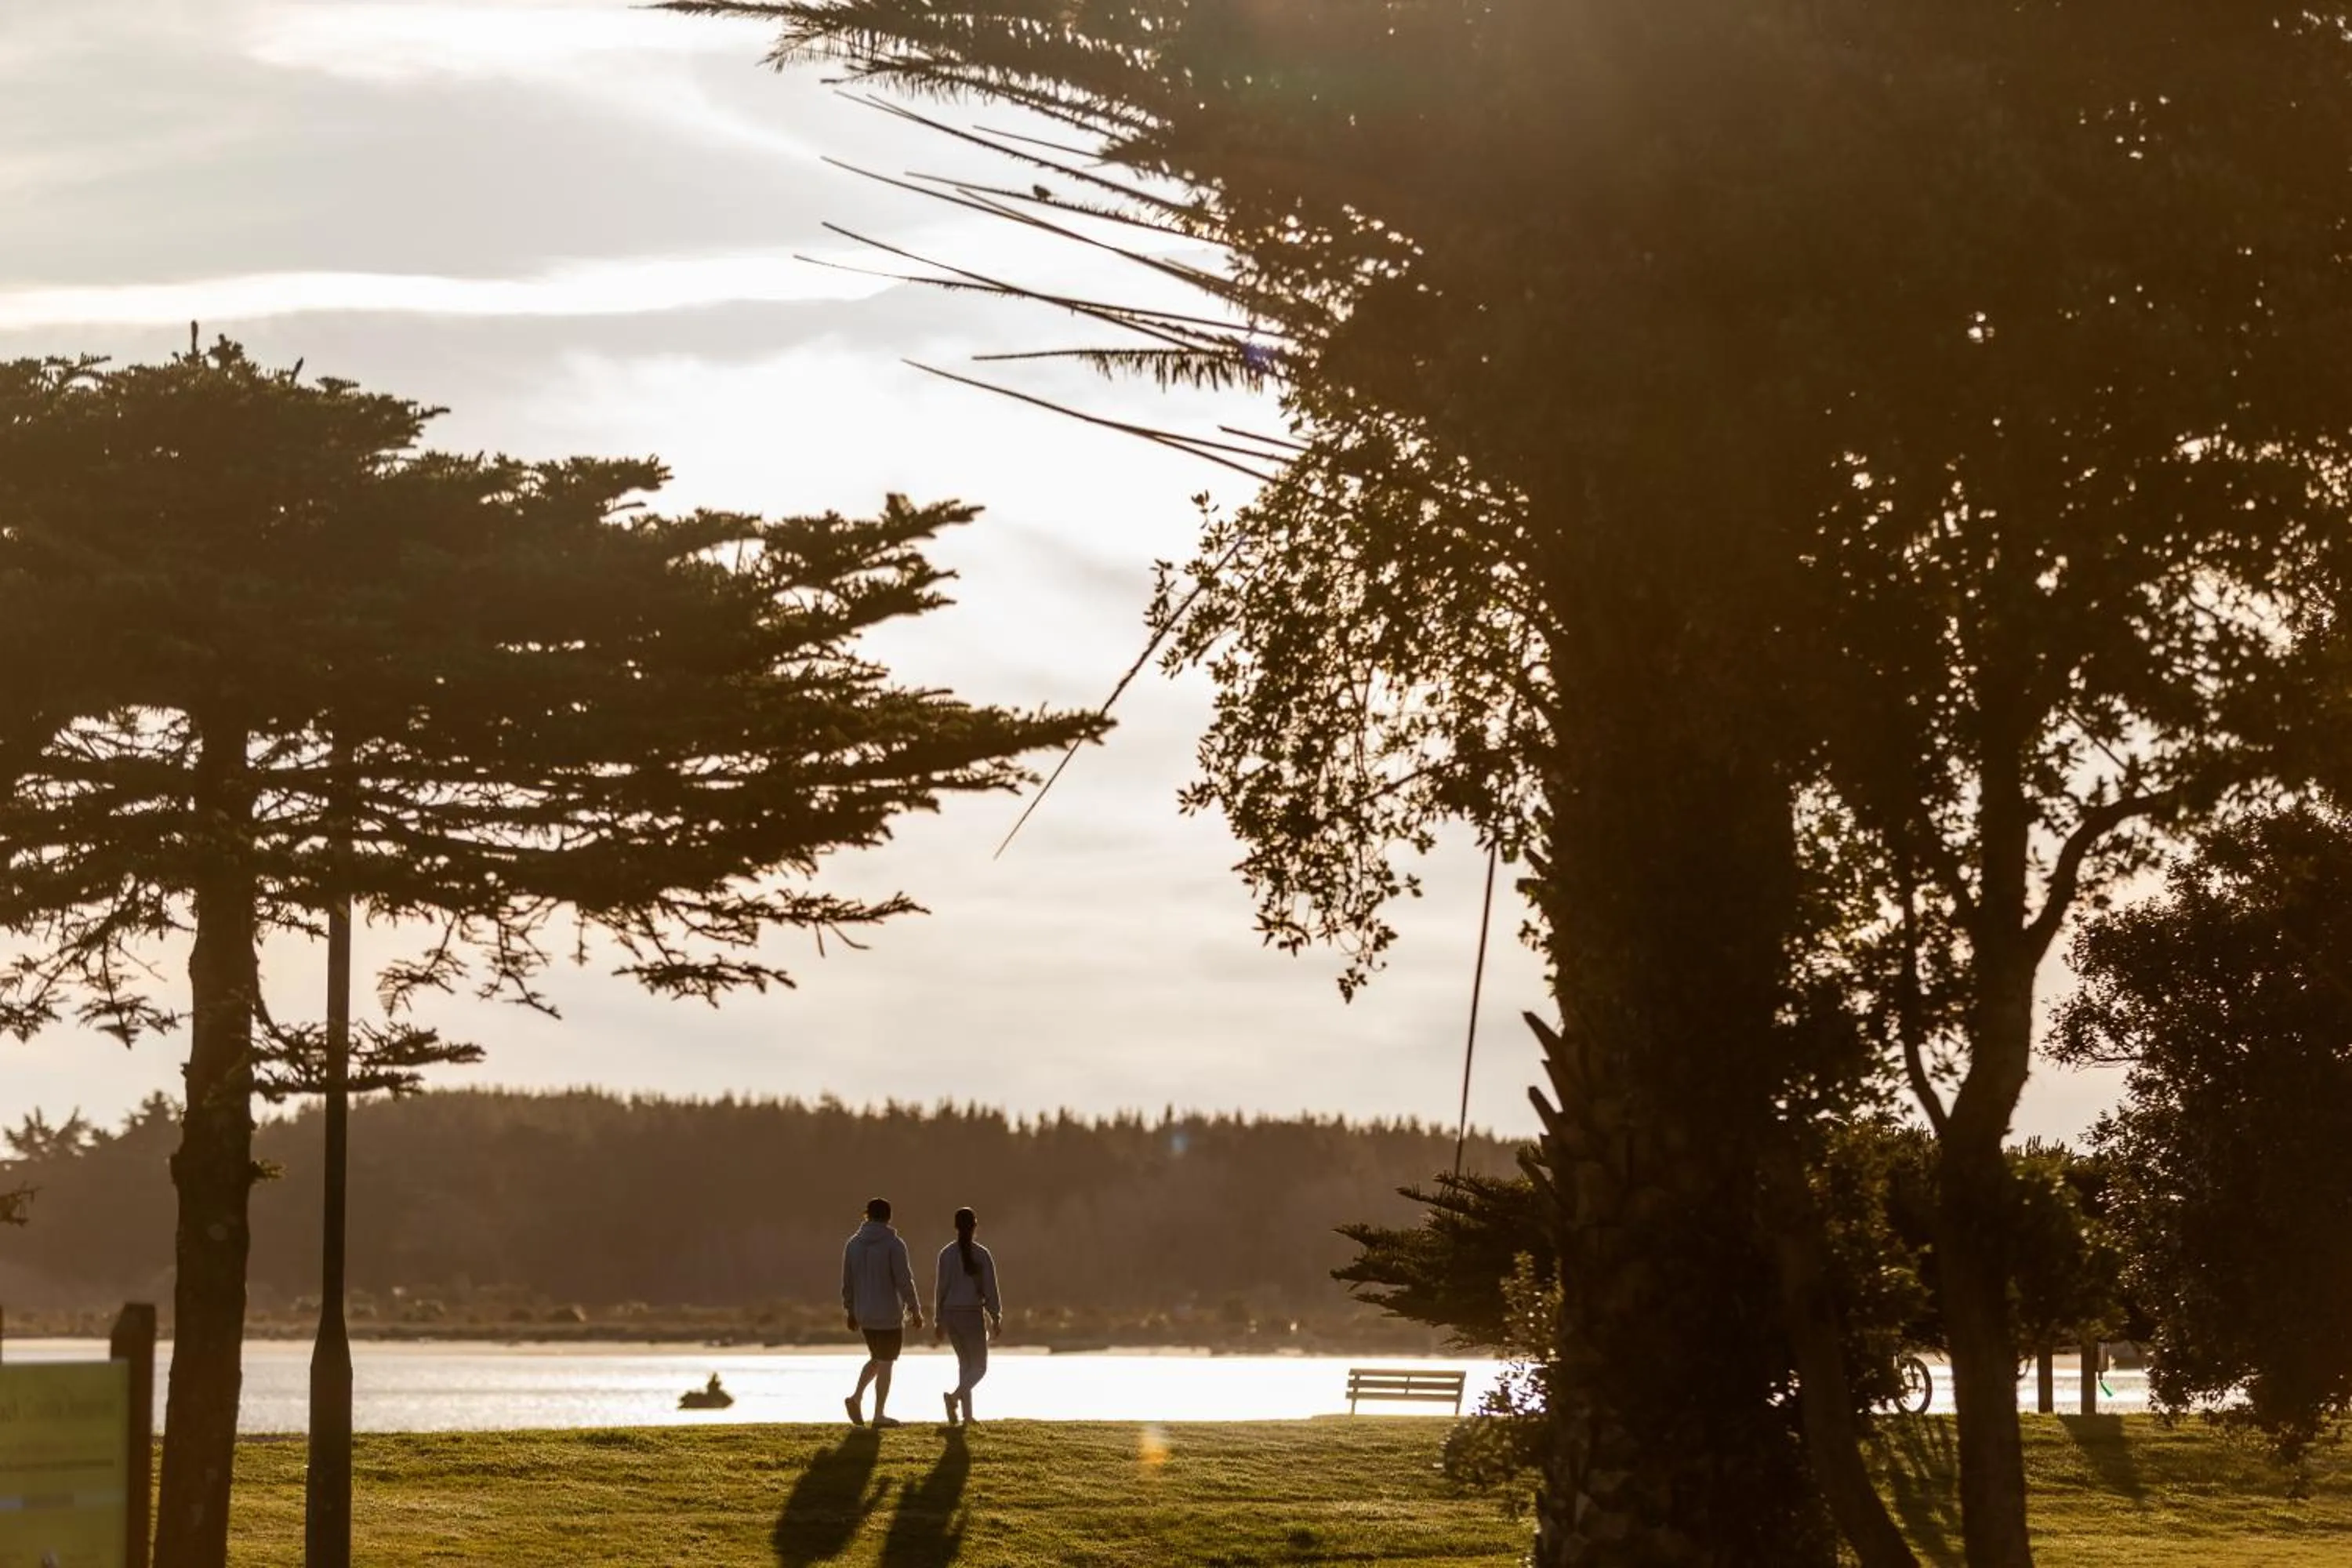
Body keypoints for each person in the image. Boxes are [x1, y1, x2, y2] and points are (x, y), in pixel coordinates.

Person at [841, 1196, 922, 1427]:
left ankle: (856, 1398)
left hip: (864, 1313)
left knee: (877, 1358)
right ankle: (879, 1414)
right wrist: (914, 1309)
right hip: (888, 1314)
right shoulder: (894, 1244)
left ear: (866, 1215)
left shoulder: (853, 1244)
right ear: (889, 1217)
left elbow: (847, 1282)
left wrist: (850, 1309)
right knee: (887, 1362)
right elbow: (904, 1280)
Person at [931, 1206, 1003, 1425]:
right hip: (971, 1313)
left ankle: (968, 1416)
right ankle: (954, 1398)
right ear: (975, 1226)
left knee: (965, 1365)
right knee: (979, 1367)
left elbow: (940, 1289)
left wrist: (939, 1320)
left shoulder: (946, 1254)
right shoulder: (981, 1254)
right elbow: (991, 1288)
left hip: (951, 1314)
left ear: (956, 1226)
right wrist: (996, 1316)